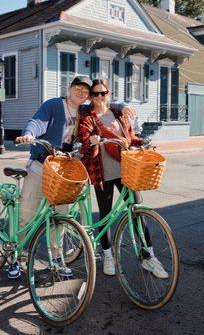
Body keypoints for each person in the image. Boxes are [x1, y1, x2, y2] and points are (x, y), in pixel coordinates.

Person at [10, 75, 135, 279]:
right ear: (69, 88)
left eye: (85, 91)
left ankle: (58, 259)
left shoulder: (85, 111)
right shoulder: (54, 105)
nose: (81, 92)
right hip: (41, 165)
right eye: (77, 87)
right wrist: (29, 135)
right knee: (27, 213)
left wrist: (122, 105)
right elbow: (38, 122)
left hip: (63, 169)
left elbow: (103, 102)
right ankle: (17, 257)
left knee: (61, 216)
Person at [78, 79, 169, 278]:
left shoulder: (117, 113)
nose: (100, 97)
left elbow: (129, 136)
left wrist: (142, 141)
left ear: (108, 94)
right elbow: (84, 145)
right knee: (106, 214)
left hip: (128, 171)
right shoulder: (88, 118)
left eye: (103, 93)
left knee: (137, 210)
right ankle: (108, 255)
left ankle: (148, 257)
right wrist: (91, 141)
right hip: (103, 173)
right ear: (91, 97)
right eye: (95, 94)